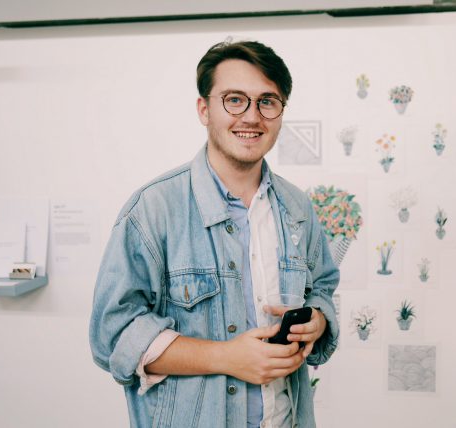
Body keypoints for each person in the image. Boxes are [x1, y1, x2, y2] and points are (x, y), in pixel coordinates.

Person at [89, 39, 340, 428]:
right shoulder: (153, 209)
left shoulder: (298, 208)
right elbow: (113, 336)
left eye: (267, 101)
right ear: (204, 109)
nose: (252, 116)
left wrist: (319, 320)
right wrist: (226, 357)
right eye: (234, 100)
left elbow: (321, 288)